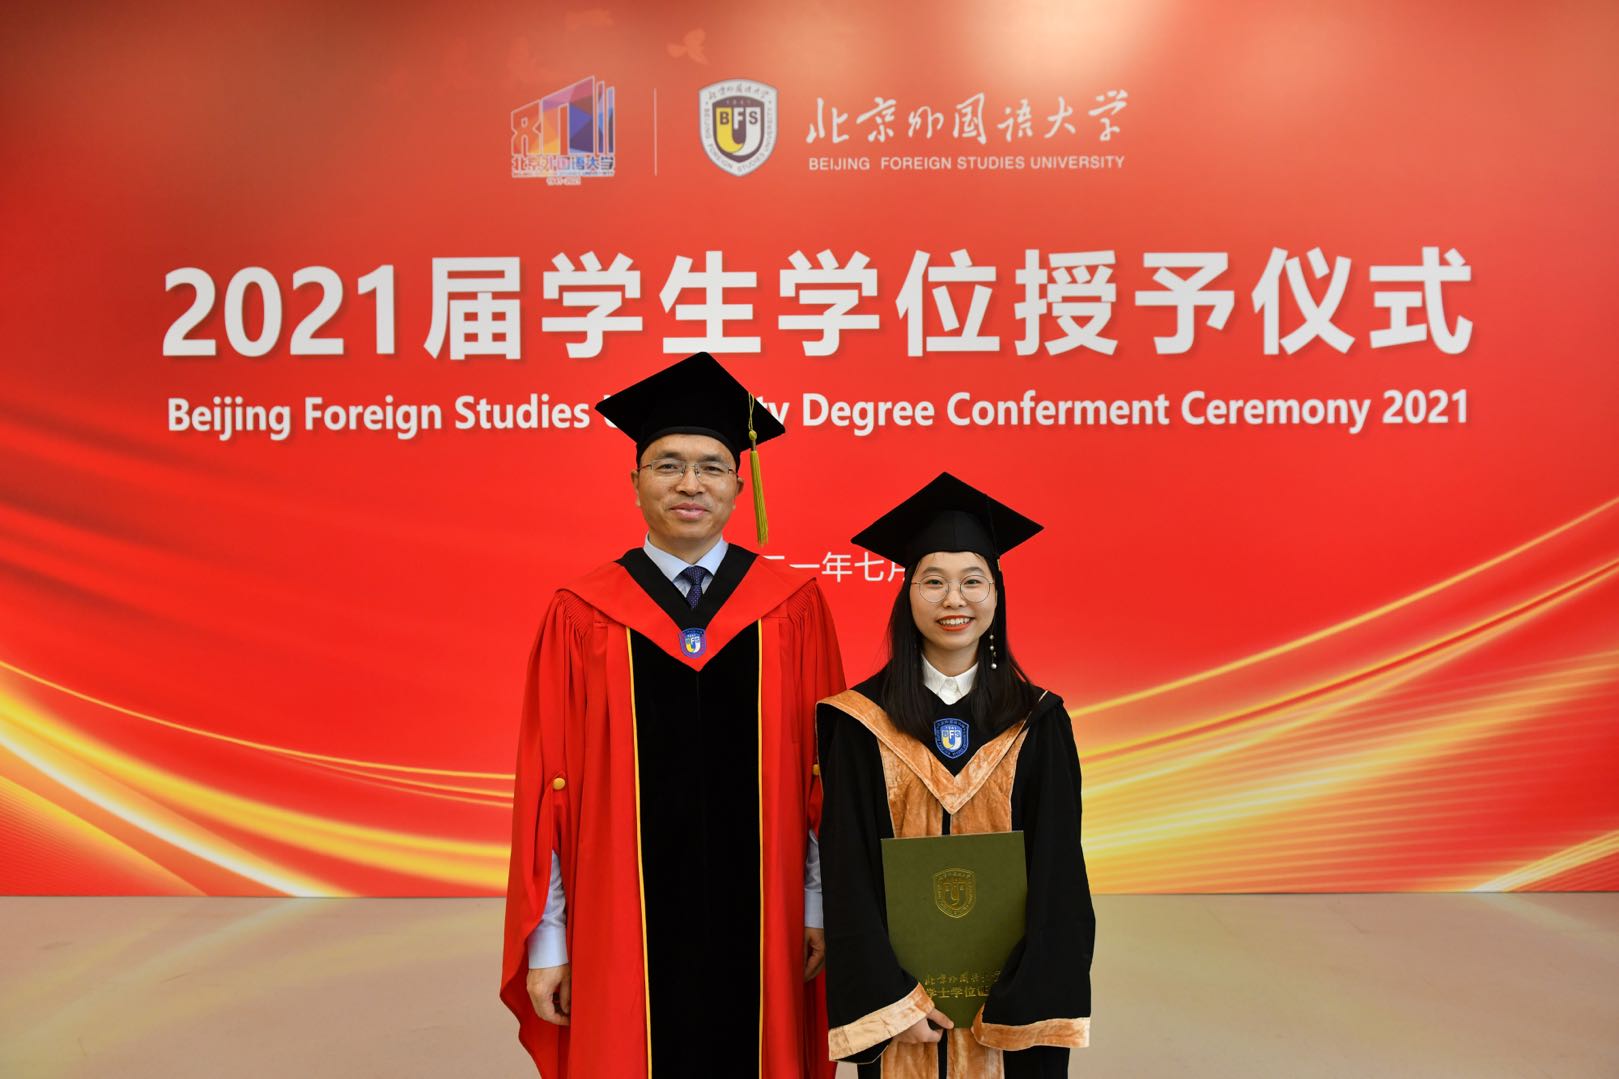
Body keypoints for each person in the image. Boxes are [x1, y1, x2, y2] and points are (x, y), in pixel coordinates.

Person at [499, 352, 845, 1077]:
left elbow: (824, 778)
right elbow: (549, 787)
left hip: (768, 924)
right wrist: (549, 942)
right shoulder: (581, 614)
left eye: (711, 467)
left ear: (738, 486)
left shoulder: (792, 608)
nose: (690, 484)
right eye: (668, 465)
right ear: (634, 482)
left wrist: (817, 905)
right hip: (616, 928)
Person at [817, 472, 1094, 1079]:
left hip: (1009, 1007)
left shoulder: (1038, 720)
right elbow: (847, 869)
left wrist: (1019, 998)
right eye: (933, 581)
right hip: (903, 1009)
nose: (954, 600)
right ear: (907, 593)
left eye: (973, 580)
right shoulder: (860, 722)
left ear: (996, 593)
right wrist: (892, 1003)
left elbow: (1059, 873)